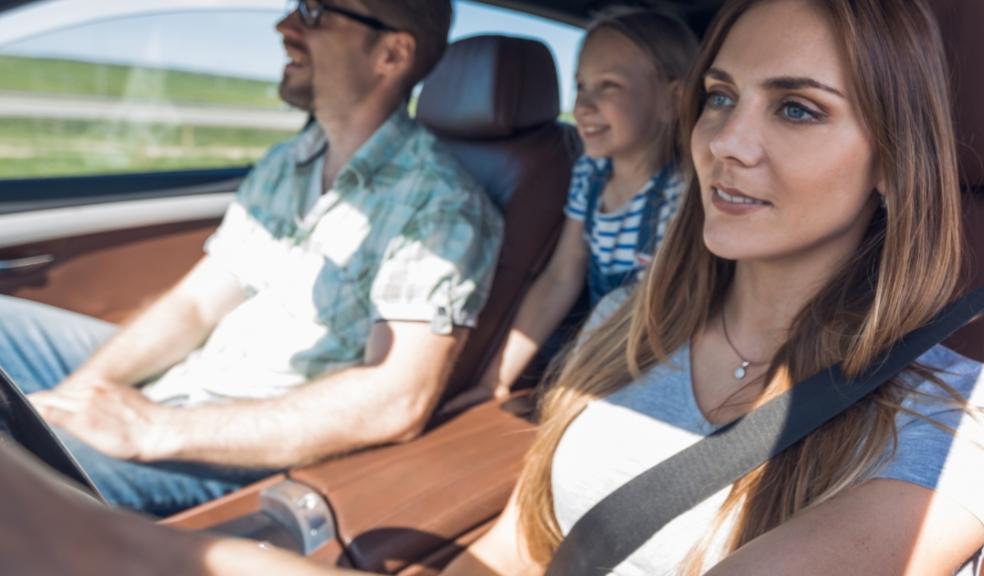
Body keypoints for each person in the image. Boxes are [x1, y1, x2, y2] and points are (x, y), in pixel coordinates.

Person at [446, 0, 984, 574]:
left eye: (797, 109)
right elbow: (516, 547)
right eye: (721, 96)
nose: (725, 141)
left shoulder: (949, 419)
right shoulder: (622, 318)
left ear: (892, 160)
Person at [0, 0, 502, 517]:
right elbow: (195, 305)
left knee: (14, 476)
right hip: (190, 377)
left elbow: (395, 400)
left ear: (392, 53)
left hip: (237, 439)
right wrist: (79, 393)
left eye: (315, 13)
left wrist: (151, 428)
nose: (284, 27)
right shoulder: (287, 163)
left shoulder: (441, 203)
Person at [474, 9, 698, 402]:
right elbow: (561, 276)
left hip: (651, 358)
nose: (582, 105)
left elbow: (662, 321)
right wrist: (495, 379)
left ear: (672, 100)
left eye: (608, 86)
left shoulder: (681, 195)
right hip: (598, 345)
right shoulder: (589, 174)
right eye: (580, 86)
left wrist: (577, 391)